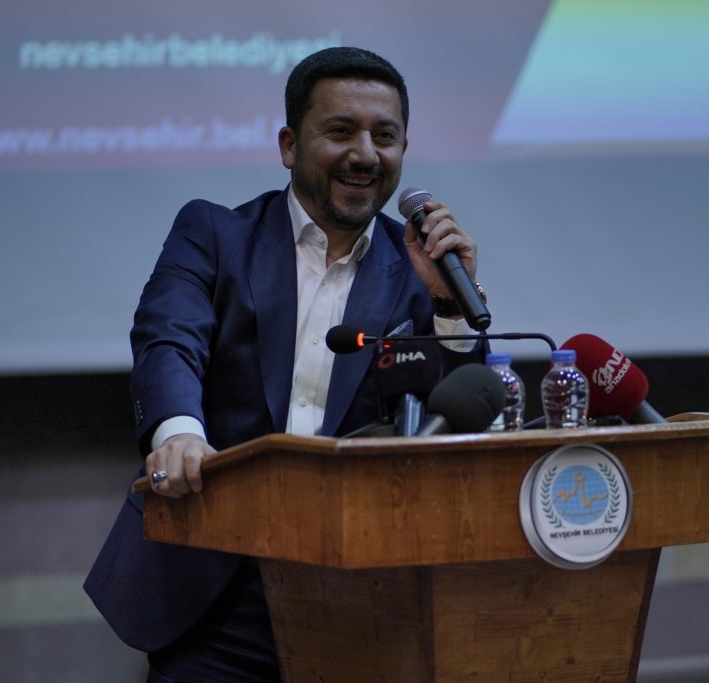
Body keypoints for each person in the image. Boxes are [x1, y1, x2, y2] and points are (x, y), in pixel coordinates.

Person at [84, 47, 486, 682]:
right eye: (341, 131)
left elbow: (461, 410)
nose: (365, 154)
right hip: (217, 583)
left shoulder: (419, 268)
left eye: (384, 137)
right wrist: (179, 433)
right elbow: (168, 340)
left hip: (363, 589)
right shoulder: (215, 234)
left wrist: (448, 305)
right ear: (289, 145)